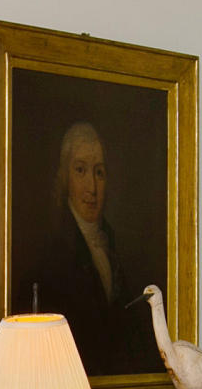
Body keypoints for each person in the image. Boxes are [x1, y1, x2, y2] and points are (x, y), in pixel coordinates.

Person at [20, 120, 154, 374]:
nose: (91, 187)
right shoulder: (53, 252)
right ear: (65, 177)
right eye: (80, 170)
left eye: (99, 172)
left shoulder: (115, 247)